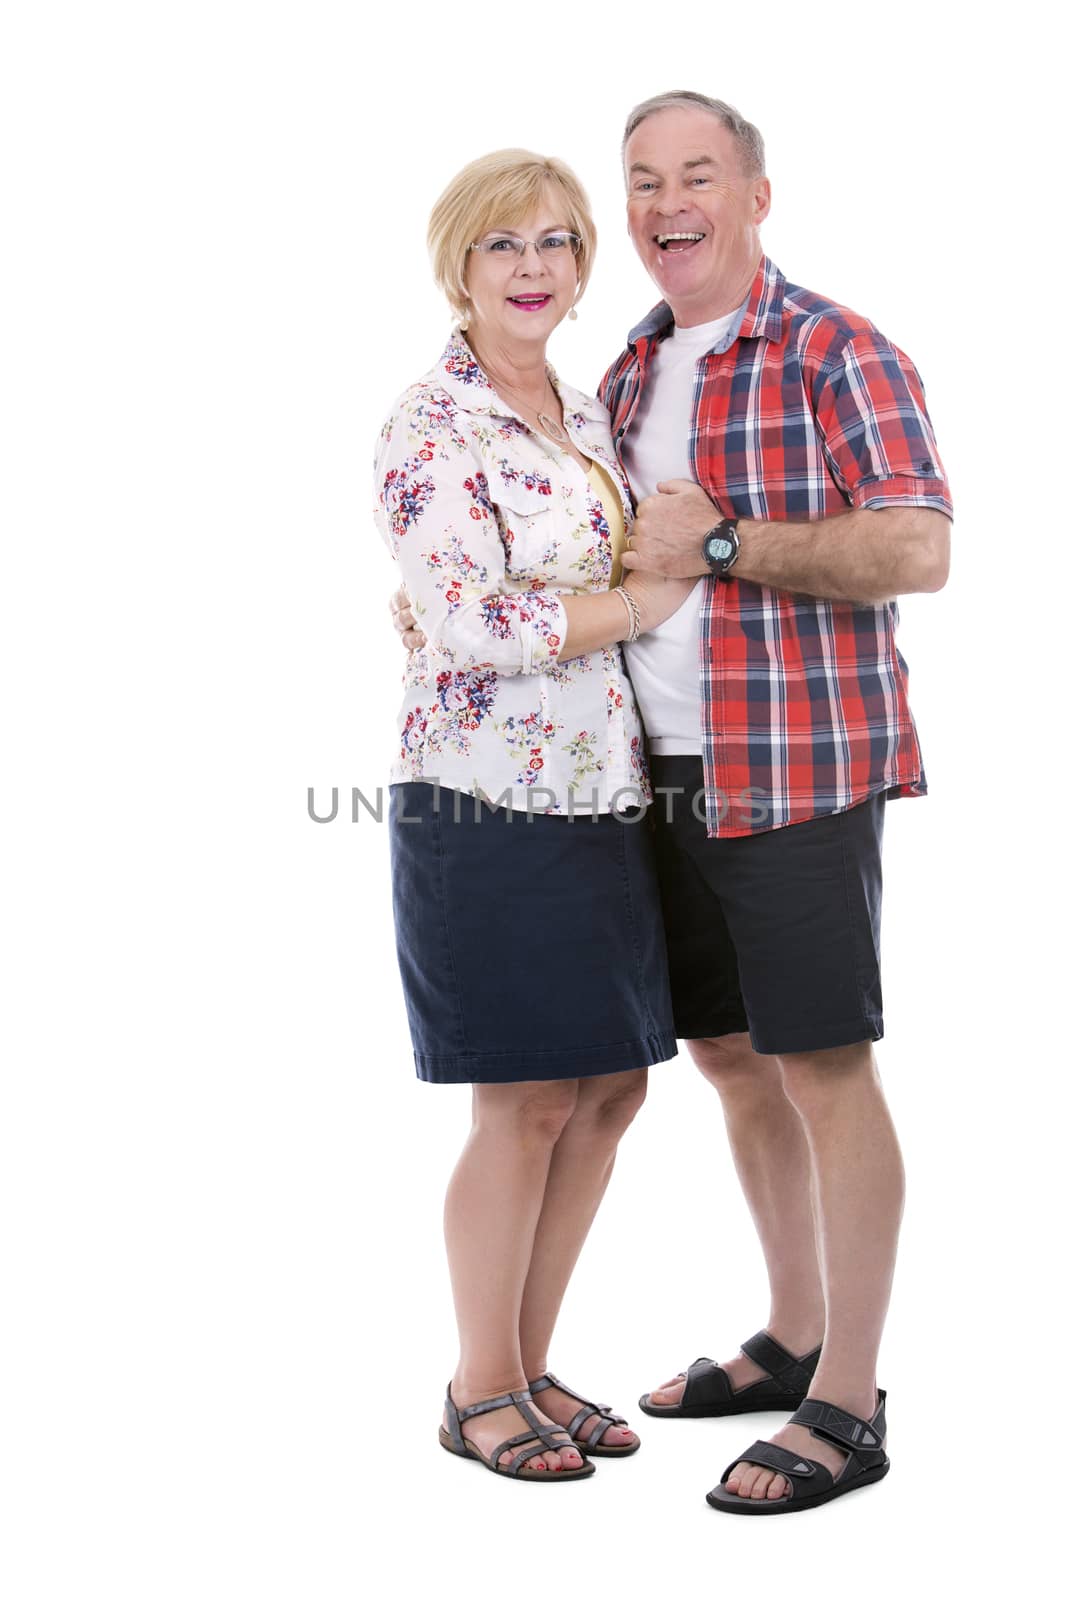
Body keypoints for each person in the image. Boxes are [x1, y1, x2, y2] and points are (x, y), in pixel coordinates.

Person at [393, 94, 952, 1514]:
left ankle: (847, 1399)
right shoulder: (623, 373)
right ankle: (784, 1334)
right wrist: (497, 612)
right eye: (643, 181)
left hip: (794, 769)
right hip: (637, 786)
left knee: (822, 1067)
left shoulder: (836, 347)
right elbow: (492, 585)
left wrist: (717, 544)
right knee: (723, 1063)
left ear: (759, 193)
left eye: (697, 175)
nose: (666, 203)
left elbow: (915, 547)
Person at [373, 148, 694, 1483]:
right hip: (485, 800)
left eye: (558, 243)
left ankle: (530, 1361)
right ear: (461, 262)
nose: (534, 268)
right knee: (522, 1103)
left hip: (601, 788)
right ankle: (478, 1385)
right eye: (505, 245)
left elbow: (579, 570)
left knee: (607, 1090)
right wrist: (635, 606)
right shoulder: (430, 423)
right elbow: (469, 618)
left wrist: (640, 575)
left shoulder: (578, 404)